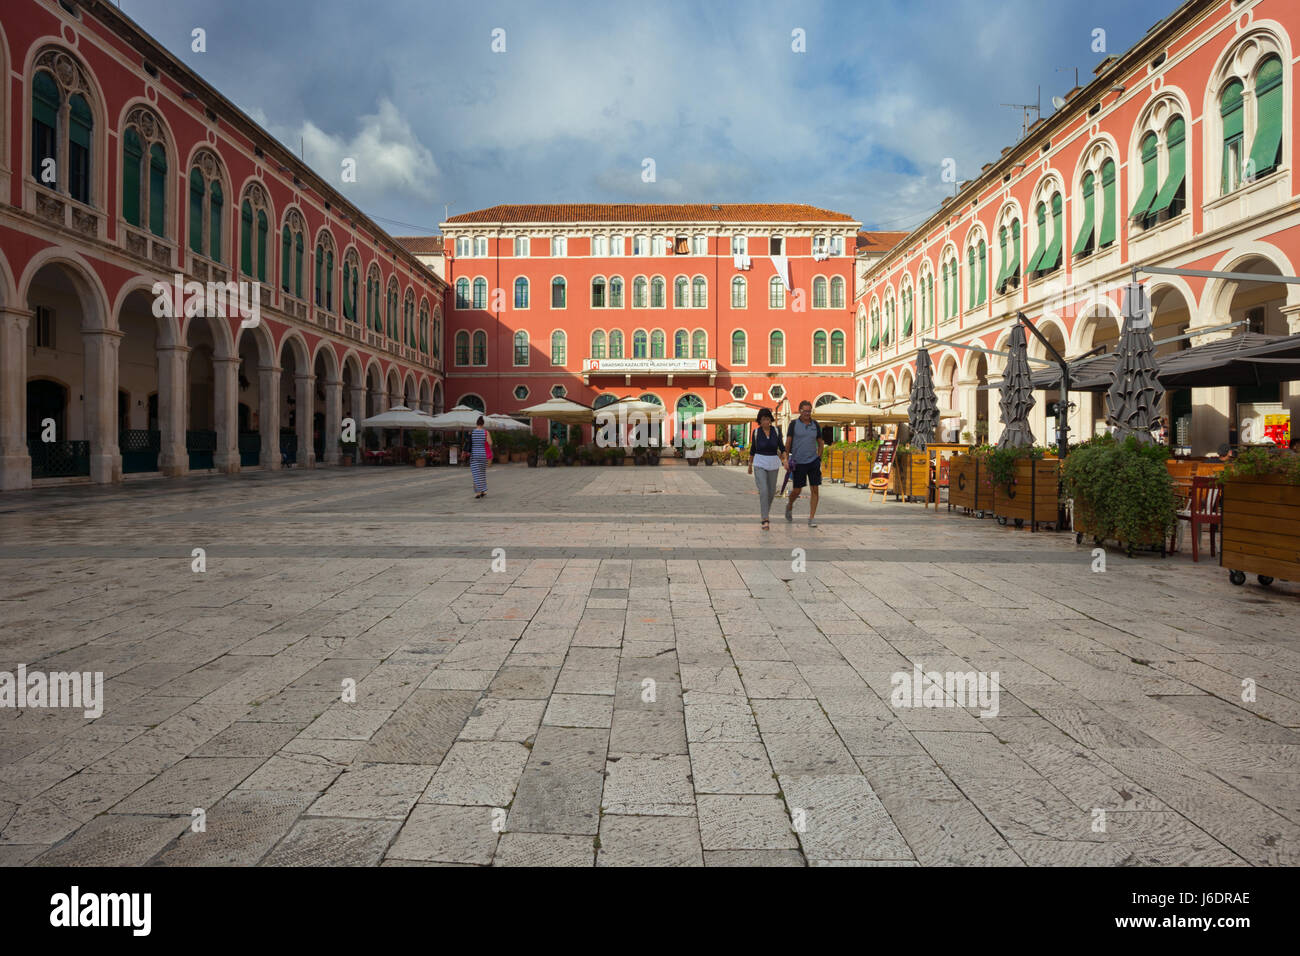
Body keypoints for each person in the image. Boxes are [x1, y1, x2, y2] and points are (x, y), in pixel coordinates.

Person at [785, 400, 825, 527]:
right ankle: (790, 504)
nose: (807, 413)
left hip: (813, 461)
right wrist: (786, 458)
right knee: (797, 490)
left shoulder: (815, 425)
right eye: (805, 411)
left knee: (815, 489)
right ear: (800, 411)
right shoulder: (793, 424)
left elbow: (820, 442)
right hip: (798, 462)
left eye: (809, 411)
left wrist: (819, 457)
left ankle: (811, 518)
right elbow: (788, 442)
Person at [747, 407, 787, 530]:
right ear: (760, 420)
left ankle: (765, 513)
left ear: (771, 419)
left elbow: (781, 447)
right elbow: (753, 449)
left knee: (771, 491)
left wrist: (785, 460)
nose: (766, 422)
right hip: (759, 462)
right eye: (764, 419)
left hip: (773, 463)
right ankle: (765, 518)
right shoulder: (756, 432)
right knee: (763, 490)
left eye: (768, 419)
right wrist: (750, 465)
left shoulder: (776, 430)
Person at [469, 416, 492, 498]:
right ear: (483, 424)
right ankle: (483, 490)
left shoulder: (472, 432)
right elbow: (490, 443)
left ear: (476, 423)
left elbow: (469, 443)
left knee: (476, 474)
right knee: (482, 474)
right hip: (483, 455)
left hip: (474, 455)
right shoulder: (486, 432)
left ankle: (478, 492)